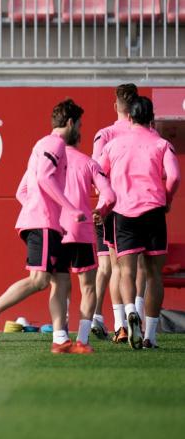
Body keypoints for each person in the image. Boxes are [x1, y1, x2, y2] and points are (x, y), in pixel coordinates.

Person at [0, 99, 87, 354]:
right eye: (78, 124)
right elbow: (44, 178)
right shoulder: (54, 144)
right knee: (40, 280)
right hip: (43, 223)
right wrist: (64, 209)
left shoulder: (45, 147)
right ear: (69, 123)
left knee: (62, 281)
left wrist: (48, 215)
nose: (80, 129)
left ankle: (60, 340)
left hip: (47, 223)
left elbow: (22, 190)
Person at [99, 96, 180, 349]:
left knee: (125, 270)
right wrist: (166, 198)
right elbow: (175, 176)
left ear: (130, 117)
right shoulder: (162, 144)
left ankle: (131, 310)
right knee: (154, 274)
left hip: (123, 212)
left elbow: (100, 176)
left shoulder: (113, 145)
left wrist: (104, 204)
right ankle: (150, 336)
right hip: (153, 210)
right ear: (151, 118)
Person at [46, 134, 116, 354]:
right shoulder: (88, 162)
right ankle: (82, 340)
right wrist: (101, 211)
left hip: (57, 228)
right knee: (87, 287)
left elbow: (25, 192)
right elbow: (109, 195)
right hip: (81, 230)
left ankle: (60, 337)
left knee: (58, 285)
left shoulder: (48, 160)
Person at [91, 83, 139, 343]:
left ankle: (118, 322)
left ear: (115, 105)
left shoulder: (106, 134)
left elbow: (95, 172)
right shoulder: (146, 133)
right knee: (138, 268)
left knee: (111, 266)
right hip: (144, 206)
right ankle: (136, 318)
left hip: (112, 207)